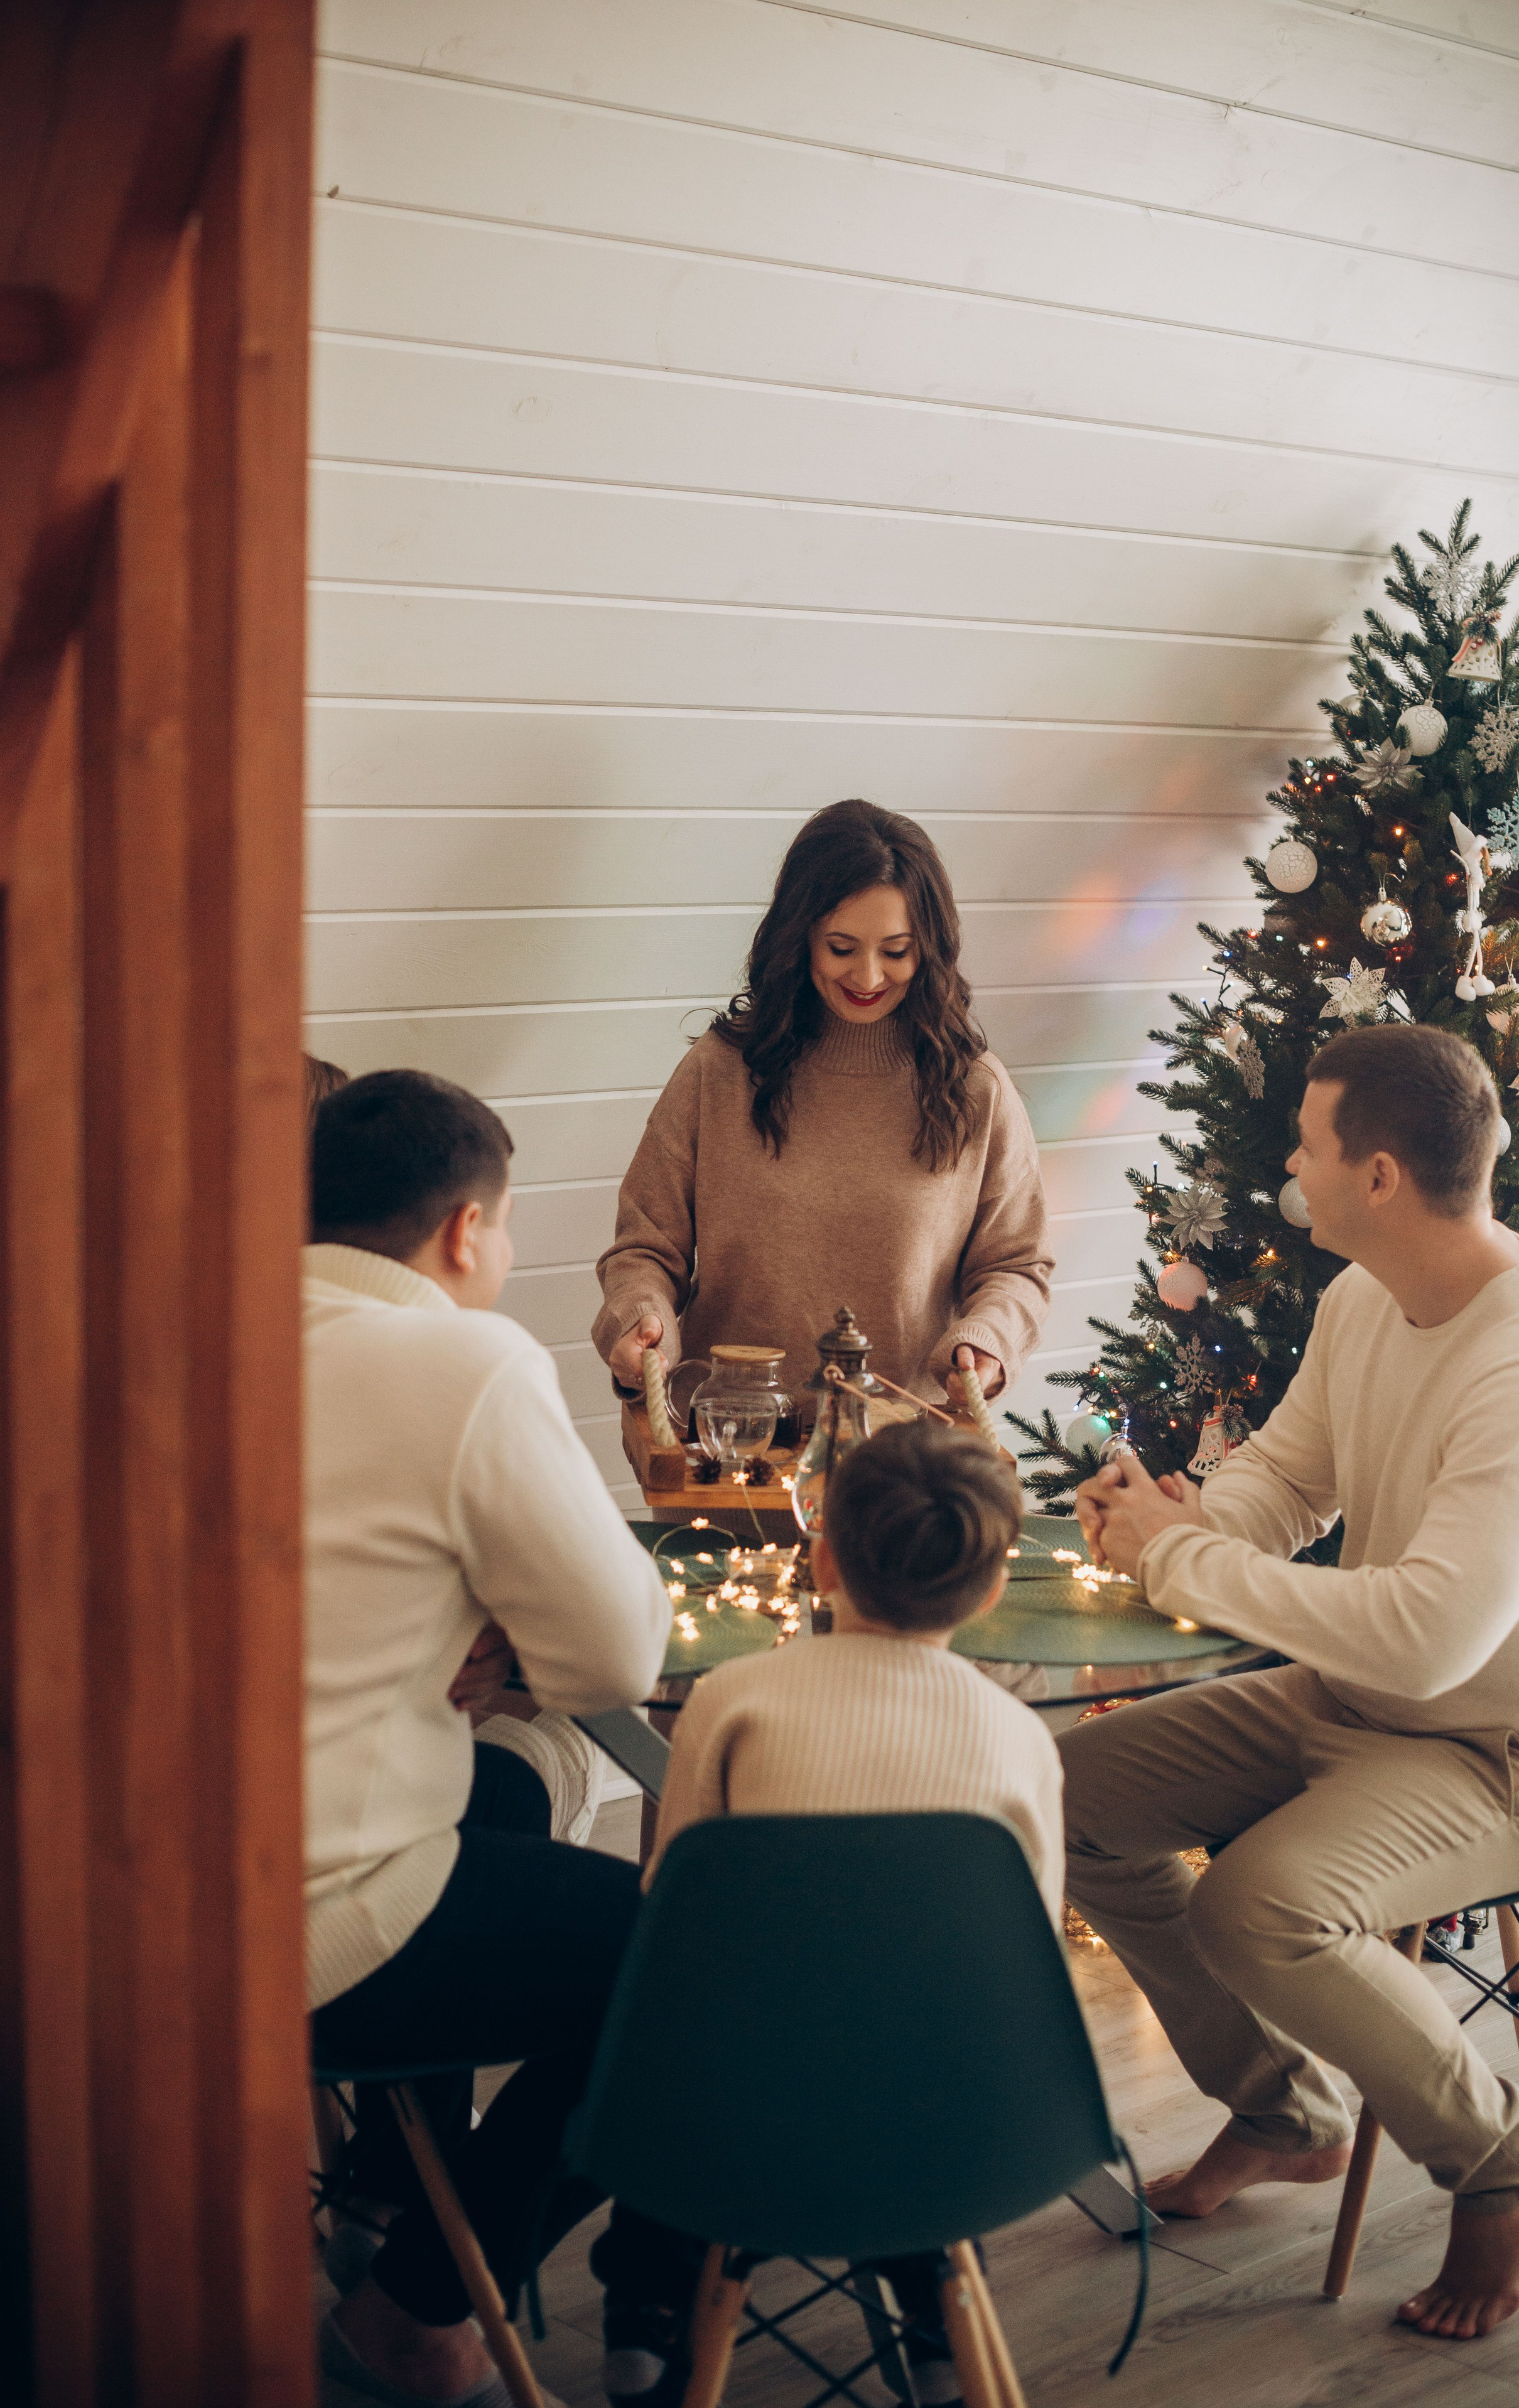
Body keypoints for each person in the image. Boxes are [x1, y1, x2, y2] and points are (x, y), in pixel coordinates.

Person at [1062, 1023, 1519, 2344]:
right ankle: (1283, 2111)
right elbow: (1288, 1476)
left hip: (1498, 1746)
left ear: (1376, 1176)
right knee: (1060, 1797)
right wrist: (1184, 1521)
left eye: (1305, 1143)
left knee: (1258, 1908)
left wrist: (1187, 1564)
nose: (1287, 1163)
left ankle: (1499, 2161)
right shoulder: (1359, 1298)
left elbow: (1432, 1638)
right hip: (1347, 1700)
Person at [303, 1068, 684, 2406]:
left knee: (506, 1801)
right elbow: (615, 1655)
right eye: (506, 1229)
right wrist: (509, 1626)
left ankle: (385, 2189)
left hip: (135, 1893)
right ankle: (418, 2305)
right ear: (465, 1229)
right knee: (690, 1964)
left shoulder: (201, 1332)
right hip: (320, 1914)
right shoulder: (462, 1358)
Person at [640, 1417, 1062, 2407]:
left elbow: (670, 1914)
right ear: (995, 1585)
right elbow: (1028, 1956)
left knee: (701, 2043)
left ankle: (646, 2308)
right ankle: (937, 2323)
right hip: (959, 2128)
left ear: (822, 1559)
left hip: (738, 2112)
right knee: (906, 2045)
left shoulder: (732, 1696)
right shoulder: (1018, 1735)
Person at [593, 799, 1052, 1418]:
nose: (868, 974)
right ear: (800, 936)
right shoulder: (720, 1071)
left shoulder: (974, 1089)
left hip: (898, 1464)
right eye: (842, 947)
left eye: (896, 951)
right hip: (727, 1446)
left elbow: (1015, 1264)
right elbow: (644, 1248)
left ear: (930, 948)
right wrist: (640, 1319)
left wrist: (988, 1339)